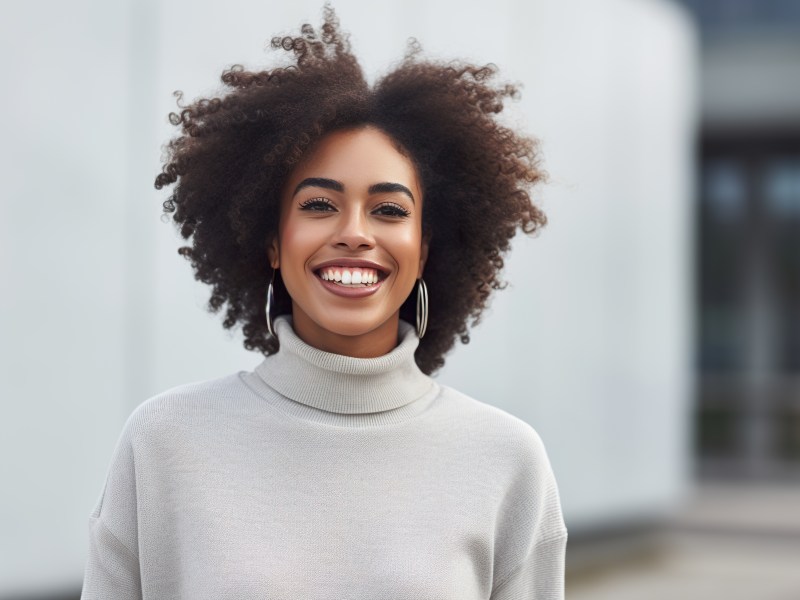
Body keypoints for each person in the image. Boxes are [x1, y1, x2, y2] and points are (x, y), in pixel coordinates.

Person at [80, 7, 567, 599]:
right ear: (271, 240)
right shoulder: (164, 443)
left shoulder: (506, 459)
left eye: (389, 209)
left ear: (425, 247)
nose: (355, 232)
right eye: (318, 205)